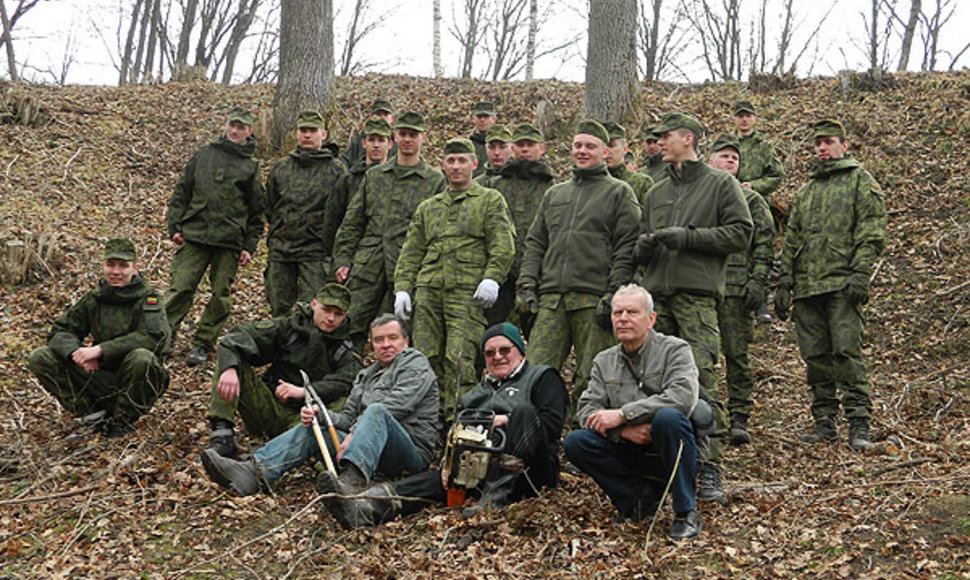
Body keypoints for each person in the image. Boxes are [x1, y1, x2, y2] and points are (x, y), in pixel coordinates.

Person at [323, 322, 569, 529]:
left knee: (524, 412)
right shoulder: (474, 395)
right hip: (477, 469)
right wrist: (447, 465)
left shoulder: (542, 377)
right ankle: (363, 507)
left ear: (520, 350)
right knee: (430, 480)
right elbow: (453, 435)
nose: (498, 357)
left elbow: (551, 425)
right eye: (490, 353)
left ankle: (494, 498)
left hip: (531, 472)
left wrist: (507, 420)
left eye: (505, 350)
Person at [634, 112, 752, 504]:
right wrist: (645, 248)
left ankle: (709, 467)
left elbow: (741, 233)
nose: (659, 143)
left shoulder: (720, 184)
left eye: (665, 136)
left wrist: (689, 238)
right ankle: (659, 466)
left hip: (697, 298)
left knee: (701, 379)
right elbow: (640, 244)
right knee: (652, 381)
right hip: (657, 299)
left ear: (688, 139)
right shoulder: (655, 191)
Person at [200, 314, 440, 496]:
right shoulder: (366, 375)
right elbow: (346, 417)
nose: (386, 344)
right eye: (379, 340)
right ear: (372, 345)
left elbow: (397, 406)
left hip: (409, 452)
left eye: (392, 338)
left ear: (406, 341)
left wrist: (355, 434)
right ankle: (254, 472)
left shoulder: (414, 362)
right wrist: (323, 415)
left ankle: (351, 483)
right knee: (315, 425)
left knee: (377, 411)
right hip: (370, 451)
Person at [774, 119, 886, 451]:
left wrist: (860, 274)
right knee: (815, 357)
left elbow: (871, 231)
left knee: (846, 352)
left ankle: (858, 422)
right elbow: (792, 238)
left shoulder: (860, 181)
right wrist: (784, 283)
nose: (821, 148)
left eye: (828, 142)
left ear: (844, 145)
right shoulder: (806, 191)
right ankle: (824, 421)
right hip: (808, 288)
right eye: (817, 144)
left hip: (841, 284)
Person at [517, 120, 640, 415]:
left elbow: (628, 247)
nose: (582, 151)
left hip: (593, 299)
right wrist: (527, 286)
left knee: (592, 377)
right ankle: (533, 443)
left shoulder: (619, 193)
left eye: (590, 146)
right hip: (552, 300)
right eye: (577, 145)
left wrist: (614, 294)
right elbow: (535, 243)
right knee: (535, 374)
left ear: (605, 151)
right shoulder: (555, 194)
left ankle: (585, 445)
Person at [562, 284, 702, 540]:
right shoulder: (603, 361)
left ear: (651, 319)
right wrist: (623, 430)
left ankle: (686, 512)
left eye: (632, 312)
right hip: (626, 448)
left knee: (669, 417)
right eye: (617, 313)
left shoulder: (675, 350)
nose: (623, 319)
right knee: (575, 442)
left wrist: (624, 414)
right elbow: (586, 409)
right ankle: (638, 500)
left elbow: (682, 398)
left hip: (668, 446)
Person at [394, 137, 515, 415]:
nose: (457, 166)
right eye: (451, 161)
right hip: (428, 292)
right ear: (443, 166)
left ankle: (458, 421)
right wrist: (402, 288)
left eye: (462, 160)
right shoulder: (429, 207)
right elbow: (411, 252)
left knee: (459, 359)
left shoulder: (489, 200)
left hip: (467, 293)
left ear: (475, 164)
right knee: (424, 358)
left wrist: (493, 277)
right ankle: (426, 419)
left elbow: (503, 244)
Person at [28, 238, 170, 437]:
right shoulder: (95, 298)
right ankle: (91, 414)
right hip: (99, 376)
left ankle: (123, 420)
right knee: (40, 357)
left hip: (135, 381)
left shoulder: (148, 299)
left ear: (135, 268)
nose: (115, 272)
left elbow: (155, 339)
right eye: (110, 265)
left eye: (123, 266)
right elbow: (60, 331)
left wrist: (101, 350)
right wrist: (75, 354)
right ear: (102, 265)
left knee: (142, 358)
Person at [332, 112, 446, 350]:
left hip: (408, 268)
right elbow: (353, 222)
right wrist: (343, 259)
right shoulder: (375, 176)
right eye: (403, 134)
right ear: (395, 137)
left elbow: (440, 232)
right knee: (349, 328)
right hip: (367, 265)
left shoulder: (434, 180)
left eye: (413, 135)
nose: (407, 139)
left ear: (422, 138)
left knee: (400, 333)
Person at [204, 283, 361, 457]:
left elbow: (348, 379)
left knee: (347, 401)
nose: (331, 318)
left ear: (345, 315)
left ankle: (275, 457)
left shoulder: (345, 346)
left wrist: (305, 391)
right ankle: (222, 434)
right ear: (314, 304)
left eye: (338, 314)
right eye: (326, 310)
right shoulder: (289, 328)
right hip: (268, 407)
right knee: (230, 358)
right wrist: (230, 369)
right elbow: (237, 338)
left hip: (304, 421)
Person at [165, 106, 264, 367]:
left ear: (249, 132)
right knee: (180, 288)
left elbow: (257, 212)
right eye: (232, 125)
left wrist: (249, 247)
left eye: (241, 127)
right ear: (226, 125)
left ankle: (203, 343)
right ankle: (161, 338)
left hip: (229, 241)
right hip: (195, 234)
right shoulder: (204, 154)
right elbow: (182, 191)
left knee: (220, 296)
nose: (234, 131)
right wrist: (174, 227)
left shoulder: (250, 167)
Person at [707, 134, 775, 445]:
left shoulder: (753, 201)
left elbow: (764, 244)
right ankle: (705, 415)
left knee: (736, 356)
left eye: (734, 157)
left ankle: (739, 418)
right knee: (700, 357)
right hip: (703, 288)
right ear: (710, 160)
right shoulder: (700, 194)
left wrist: (759, 280)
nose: (730, 160)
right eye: (723, 155)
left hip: (737, 290)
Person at [263, 110, 348, 317]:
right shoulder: (281, 168)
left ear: (324, 135)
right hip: (281, 250)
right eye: (303, 130)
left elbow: (344, 211)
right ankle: (281, 348)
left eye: (313, 131)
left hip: (316, 253)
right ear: (296, 134)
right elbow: (270, 206)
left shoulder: (337, 170)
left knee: (312, 312)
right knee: (278, 310)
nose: (307, 135)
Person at [478, 123, 555, 333]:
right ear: (513, 149)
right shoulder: (495, 186)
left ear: (542, 148)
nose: (525, 149)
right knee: (493, 334)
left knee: (539, 337)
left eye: (530, 145)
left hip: (540, 274)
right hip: (501, 275)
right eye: (520, 144)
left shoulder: (553, 189)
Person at [323, 118, 393, 267]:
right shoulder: (348, 180)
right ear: (363, 143)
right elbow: (333, 219)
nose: (376, 145)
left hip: (387, 257)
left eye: (381, 140)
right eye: (371, 140)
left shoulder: (397, 180)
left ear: (390, 145)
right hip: (351, 256)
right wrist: (337, 256)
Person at [732, 100, 785, 199]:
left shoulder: (765, 147)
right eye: (740, 116)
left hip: (757, 201)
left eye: (748, 116)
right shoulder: (726, 146)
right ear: (734, 120)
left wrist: (754, 185)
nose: (744, 119)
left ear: (754, 119)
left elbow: (776, 175)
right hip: (729, 199)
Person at [602, 121, 654, 206]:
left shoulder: (641, 183)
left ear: (625, 149)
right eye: (602, 146)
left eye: (611, 145)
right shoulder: (587, 182)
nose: (606, 151)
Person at [339, 99, 397, 168]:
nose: (382, 117)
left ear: (392, 119)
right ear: (371, 117)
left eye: (385, 114)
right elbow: (344, 161)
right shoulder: (358, 140)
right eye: (378, 114)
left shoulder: (398, 141)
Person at [469, 101, 497, 177]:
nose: (482, 120)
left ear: (494, 119)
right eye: (479, 116)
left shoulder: (502, 145)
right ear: (473, 119)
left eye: (486, 116)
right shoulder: (468, 145)